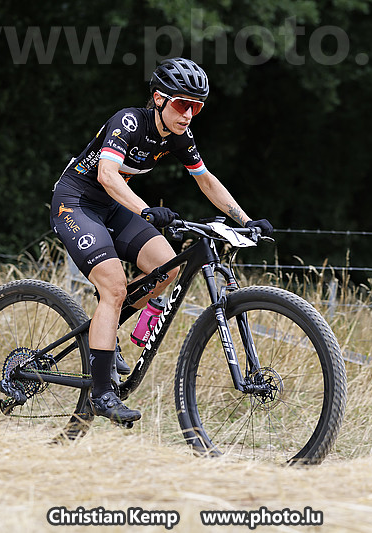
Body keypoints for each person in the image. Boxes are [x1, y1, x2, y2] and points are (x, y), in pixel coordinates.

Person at [50, 57, 273, 423]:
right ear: (159, 98)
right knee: (114, 287)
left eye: (196, 107)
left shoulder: (179, 136)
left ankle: (105, 328)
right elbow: (107, 175)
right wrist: (145, 210)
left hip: (112, 206)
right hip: (75, 203)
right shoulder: (129, 122)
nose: (188, 114)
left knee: (166, 267)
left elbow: (205, 179)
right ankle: (102, 393)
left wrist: (246, 220)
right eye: (182, 104)